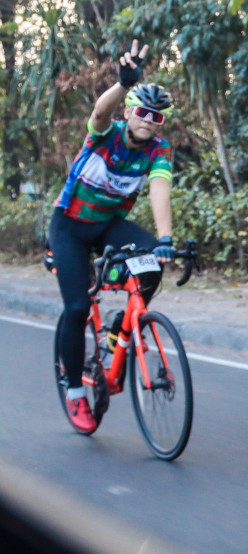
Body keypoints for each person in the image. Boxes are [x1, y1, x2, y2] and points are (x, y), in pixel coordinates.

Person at [52, 39, 176, 434]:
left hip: (108, 225)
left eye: (156, 117)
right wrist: (123, 83)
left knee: (152, 264)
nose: (148, 121)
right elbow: (99, 111)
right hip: (69, 226)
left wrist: (165, 238)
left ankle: (120, 327)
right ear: (128, 112)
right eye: (142, 112)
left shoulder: (158, 150)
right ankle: (75, 392)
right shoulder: (106, 134)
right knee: (76, 309)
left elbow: (159, 190)